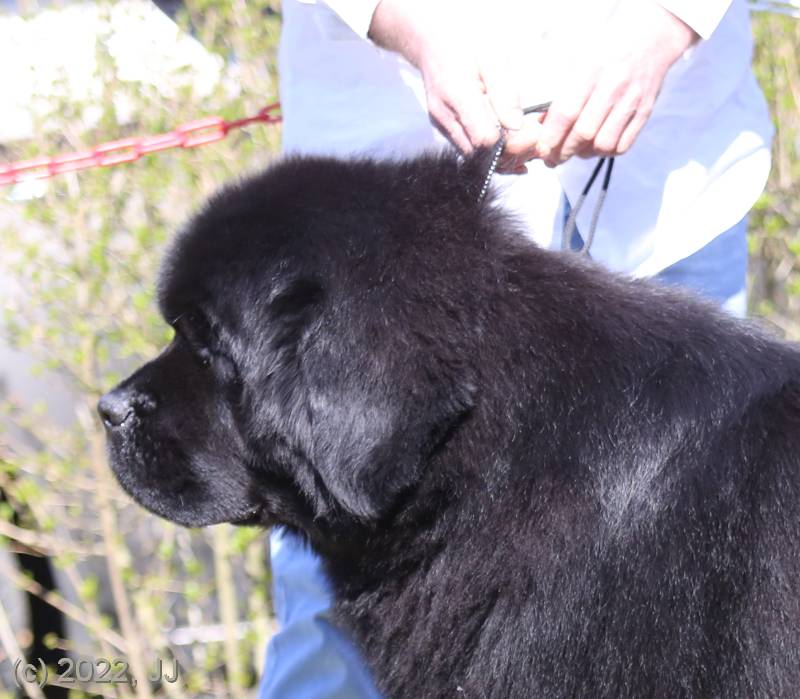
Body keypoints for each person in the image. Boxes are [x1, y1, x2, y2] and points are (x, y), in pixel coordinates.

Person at [259, 1, 773, 696]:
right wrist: (411, 28)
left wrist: (670, 22)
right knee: (334, 623)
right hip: (383, 232)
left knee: (694, 596)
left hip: (672, 196)